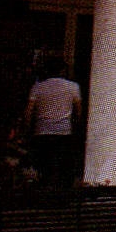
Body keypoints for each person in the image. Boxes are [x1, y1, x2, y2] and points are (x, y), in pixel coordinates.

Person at [23, 55, 83, 190]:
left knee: (44, 168)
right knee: (63, 168)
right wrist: (77, 130)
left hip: (42, 132)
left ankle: (45, 195)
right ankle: (61, 198)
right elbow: (78, 112)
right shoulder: (73, 87)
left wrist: (27, 131)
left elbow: (28, 112)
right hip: (64, 133)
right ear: (63, 70)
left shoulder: (37, 88)